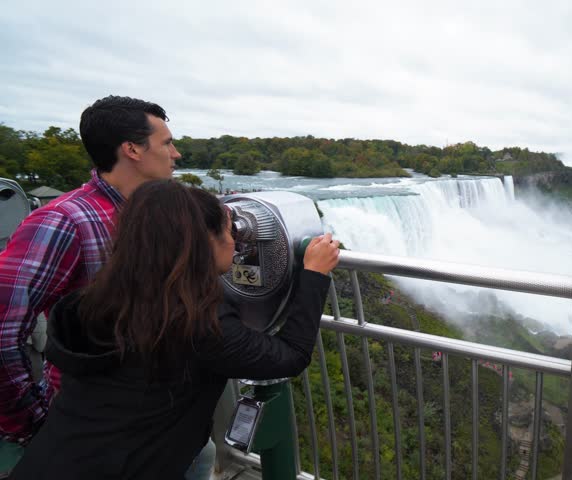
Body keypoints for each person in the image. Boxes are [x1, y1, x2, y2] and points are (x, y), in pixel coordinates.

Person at [11, 180, 339, 479]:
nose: (235, 245)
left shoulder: (101, 296)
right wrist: (314, 274)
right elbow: (291, 356)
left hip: (51, 459)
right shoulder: (195, 324)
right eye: (229, 233)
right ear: (202, 243)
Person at [0, 96, 182, 476]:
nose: (176, 153)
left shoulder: (156, 216)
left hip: (158, 415)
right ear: (132, 149)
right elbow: (2, 331)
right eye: (166, 143)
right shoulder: (63, 221)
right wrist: (33, 423)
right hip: (94, 425)